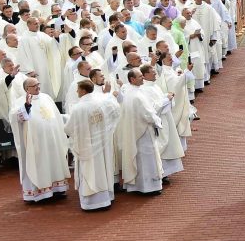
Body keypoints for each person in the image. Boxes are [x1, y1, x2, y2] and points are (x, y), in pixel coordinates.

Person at [9, 77, 71, 203]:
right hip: (36, 143)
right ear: (27, 89)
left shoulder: (46, 97)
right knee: (40, 165)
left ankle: (57, 190)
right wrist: (26, 106)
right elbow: (15, 117)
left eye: (38, 84)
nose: (38, 87)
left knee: (54, 163)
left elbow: (56, 116)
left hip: (52, 140)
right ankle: (41, 194)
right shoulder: (20, 101)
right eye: (34, 85)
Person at [64, 79, 121, 211]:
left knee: (90, 171)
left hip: (86, 146)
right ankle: (106, 198)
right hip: (102, 145)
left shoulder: (78, 108)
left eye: (78, 89)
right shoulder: (101, 103)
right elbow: (115, 111)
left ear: (83, 91)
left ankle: (92, 203)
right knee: (103, 168)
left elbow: (68, 129)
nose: (77, 91)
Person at [118, 69, 165, 195]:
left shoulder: (130, 92)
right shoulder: (137, 95)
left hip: (135, 132)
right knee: (147, 159)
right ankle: (149, 187)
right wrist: (158, 122)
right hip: (144, 132)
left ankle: (137, 186)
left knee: (139, 159)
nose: (142, 78)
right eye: (139, 77)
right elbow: (147, 113)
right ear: (132, 79)